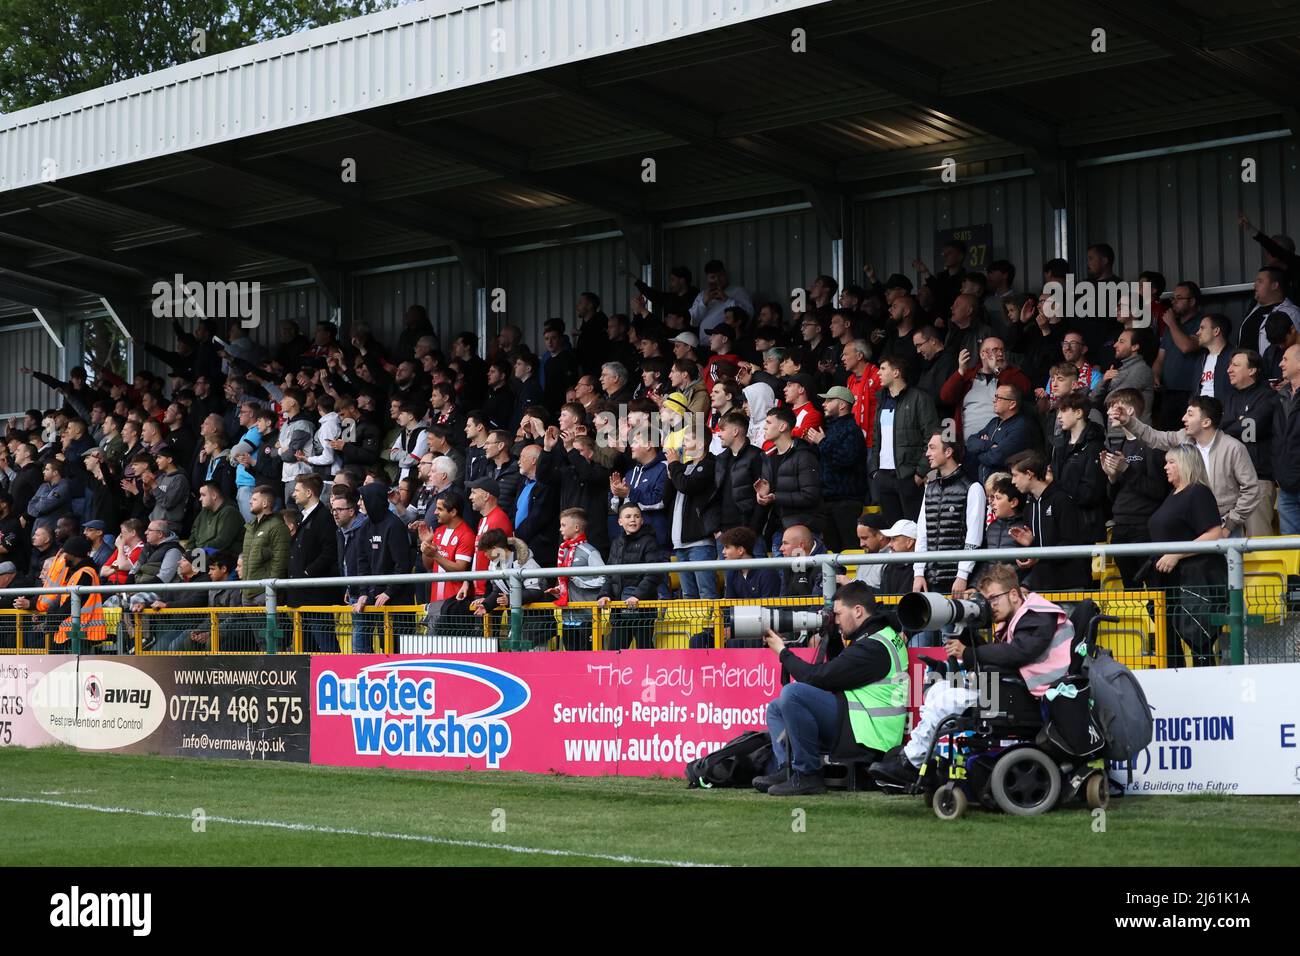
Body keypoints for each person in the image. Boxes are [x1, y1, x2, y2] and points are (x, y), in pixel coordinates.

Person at [870, 563, 1075, 789]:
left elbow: (1019, 653)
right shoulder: (1020, 618)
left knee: (945, 701)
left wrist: (968, 653)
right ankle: (918, 759)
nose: (990, 607)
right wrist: (970, 634)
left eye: (994, 599)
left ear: (1014, 594)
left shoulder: (1038, 615)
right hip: (1010, 691)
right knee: (938, 691)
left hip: (1031, 699)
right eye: (986, 601)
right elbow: (1001, 658)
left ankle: (910, 763)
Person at [756, 581, 909, 797]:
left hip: (870, 737)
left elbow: (818, 677)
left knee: (794, 693)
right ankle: (787, 768)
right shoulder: (878, 635)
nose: (835, 620)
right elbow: (842, 670)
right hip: (859, 722)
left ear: (857, 611)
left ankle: (807, 775)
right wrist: (835, 637)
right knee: (776, 708)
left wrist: (783, 652)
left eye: (837, 614)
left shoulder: (873, 647)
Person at [1108, 395, 1260, 538]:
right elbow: (1153, 437)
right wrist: (1128, 421)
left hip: (1223, 524)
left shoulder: (1233, 448)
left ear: (1206, 422)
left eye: (1190, 414)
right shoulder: (1183, 438)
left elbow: (1251, 489)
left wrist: (1229, 524)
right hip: (1189, 521)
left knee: (1227, 566)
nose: (1183, 418)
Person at [1145, 446, 1227, 667]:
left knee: (1199, 642)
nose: (1166, 467)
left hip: (1195, 581)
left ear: (1185, 464)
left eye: (1171, 462)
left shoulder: (1198, 492)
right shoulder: (1172, 494)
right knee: (1171, 643)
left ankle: (1207, 690)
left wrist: (1176, 554)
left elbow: (1214, 535)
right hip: (1169, 582)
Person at [1101, 390, 1169, 588]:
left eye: (1113, 408)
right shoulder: (1121, 444)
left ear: (1129, 410)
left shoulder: (1153, 444)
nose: (1108, 414)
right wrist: (1112, 477)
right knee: (1131, 592)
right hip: (1120, 527)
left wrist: (1126, 470)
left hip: (1145, 528)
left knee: (1155, 590)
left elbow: (1158, 491)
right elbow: (1115, 496)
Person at [913, 432, 986, 601]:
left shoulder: (973, 488)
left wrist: (962, 576)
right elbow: (923, 533)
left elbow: (974, 537)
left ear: (948, 452)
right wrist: (918, 573)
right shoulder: (929, 488)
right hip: (930, 580)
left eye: (932, 448)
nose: (927, 454)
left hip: (959, 583)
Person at [1005, 450, 1092, 592]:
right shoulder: (1029, 505)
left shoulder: (1062, 500)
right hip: (1041, 587)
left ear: (1029, 474)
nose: (1013, 481)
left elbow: (1070, 543)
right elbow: (1039, 549)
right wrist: (1029, 545)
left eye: (1015, 475)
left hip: (1069, 587)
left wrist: (1038, 556)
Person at [869, 359, 939, 530]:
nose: (878, 373)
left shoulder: (919, 398)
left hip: (908, 476)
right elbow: (876, 438)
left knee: (914, 530)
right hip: (884, 476)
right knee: (892, 532)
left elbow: (932, 437)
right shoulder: (881, 400)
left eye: (883, 368)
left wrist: (920, 472)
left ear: (896, 372)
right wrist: (874, 471)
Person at [1221, 349, 1283, 536]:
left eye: (1236, 365)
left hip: (1257, 479)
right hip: (1229, 481)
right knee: (1229, 543)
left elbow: (1250, 428)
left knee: (1258, 542)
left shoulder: (1268, 396)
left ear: (1252, 370)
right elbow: (1217, 429)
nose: (1229, 369)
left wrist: (1235, 424)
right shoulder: (1228, 396)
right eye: (1230, 365)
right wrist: (1238, 422)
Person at [806, 385, 868, 552]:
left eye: (829, 400)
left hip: (846, 501)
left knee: (850, 549)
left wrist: (822, 443)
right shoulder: (832, 429)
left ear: (842, 405)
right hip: (829, 500)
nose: (824, 404)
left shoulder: (851, 430)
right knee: (833, 551)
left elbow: (846, 459)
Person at [596, 503, 665, 650]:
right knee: (615, 652)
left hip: (642, 609)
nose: (633, 520)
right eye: (628, 516)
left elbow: (654, 573)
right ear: (620, 521)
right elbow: (610, 574)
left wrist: (637, 596)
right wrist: (605, 594)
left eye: (637, 516)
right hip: (619, 610)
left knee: (644, 649)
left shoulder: (649, 542)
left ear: (642, 520)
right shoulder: (616, 543)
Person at [286, 474, 340, 652]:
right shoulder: (303, 516)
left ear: (309, 493)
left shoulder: (323, 517)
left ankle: (336, 675)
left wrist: (308, 573)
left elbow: (329, 551)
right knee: (305, 648)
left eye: (297, 490)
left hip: (316, 595)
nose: (294, 494)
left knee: (325, 643)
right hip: (301, 595)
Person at [756, 406, 823, 550]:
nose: (764, 427)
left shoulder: (804, 455)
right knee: (783, 573)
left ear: (782, 426)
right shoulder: (768, 457)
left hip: (802, 531)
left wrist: (775, 497)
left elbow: (810, 495)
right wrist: (763, 495)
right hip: (777, 530)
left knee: (799, 572)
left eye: (768, 422)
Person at [1049, 392, 1107, 543]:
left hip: (1086, 525)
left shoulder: (1094, 447)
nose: (1059, 417)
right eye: (1058, 412)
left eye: (1063, 410)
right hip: (1063, 523)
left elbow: (1091, 492)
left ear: (1079, 413)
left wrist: (1059, 491)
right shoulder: (1059, 445)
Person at [547, 508, 606, 650]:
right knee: (571, 661)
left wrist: (579, 581)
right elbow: (566, 581)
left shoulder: (590, 552)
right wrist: (558, 590)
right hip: (568, 618)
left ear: (576, 527)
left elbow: (604, 579)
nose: (560, 529)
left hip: (588, 618)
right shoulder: (564, 551)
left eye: (563, 525)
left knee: (589, 659)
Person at [240, 485, 291, 605]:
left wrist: (270, 589)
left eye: (254, 499)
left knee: (271, 624)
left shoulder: (278, 526)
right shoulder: (250, 527)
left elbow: (280, 561)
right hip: (247, 592)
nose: (250, 502)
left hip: (265, 593)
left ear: (265, 503)